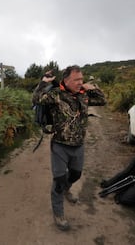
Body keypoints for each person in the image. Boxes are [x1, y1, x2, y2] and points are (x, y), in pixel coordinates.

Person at [32, 65, 106, 231]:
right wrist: (43, 83)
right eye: (76, 80)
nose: (80, 82)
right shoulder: (56, 95)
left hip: (78, 146)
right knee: (59, 181)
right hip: (60, 146)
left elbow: (102, 100)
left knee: (76, 174)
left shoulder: (84, 96)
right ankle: (58, 213)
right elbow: (36, 99)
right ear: (66, 80)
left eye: (82, 79)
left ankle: (67, 190)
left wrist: (92, 88)